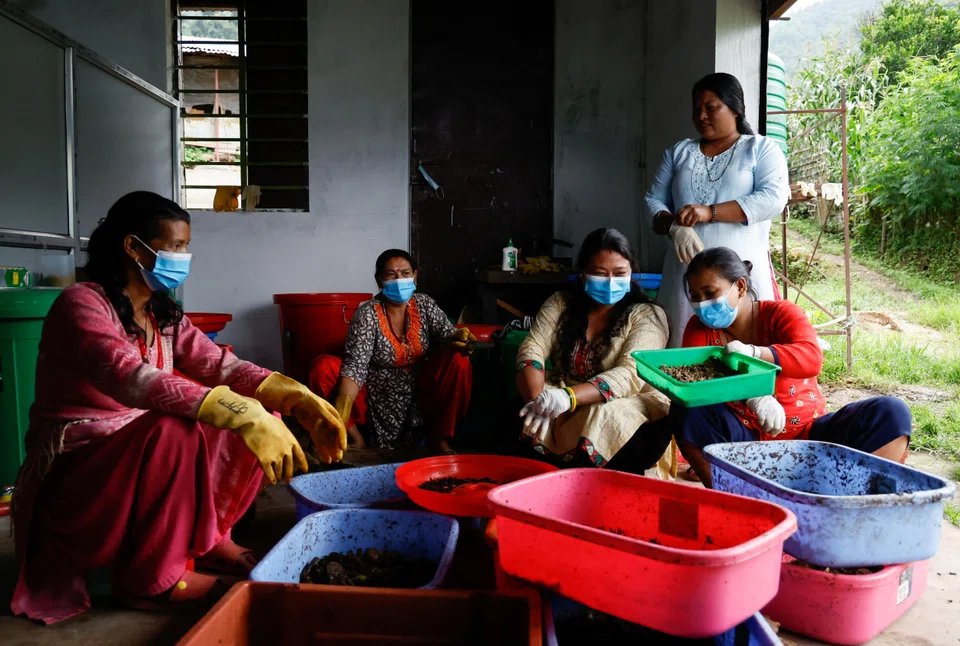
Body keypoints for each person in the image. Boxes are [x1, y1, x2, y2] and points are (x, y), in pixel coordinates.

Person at [11, 192, 347, 624]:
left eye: (186, 247)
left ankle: (209, 538)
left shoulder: (162, 314)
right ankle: (152, 579)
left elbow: (220, 365)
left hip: (137, 458)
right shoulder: (82, 304)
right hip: (78, 475)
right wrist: (238, 411)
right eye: (175, 247)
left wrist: (294, 397)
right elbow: (131, 379)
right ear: (134, 247)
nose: (184, 257)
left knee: (253, 415)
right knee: (177, 427)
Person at [673, 247, 912, 488]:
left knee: (890, 412)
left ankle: (855, 497)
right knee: (685, 411)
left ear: (741, 287)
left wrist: (755, 353)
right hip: (743, 445)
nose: (703, 304)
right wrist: (755, 396)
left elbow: (810, 357)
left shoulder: (781, 313)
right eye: (695, 296)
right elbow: (698, 383)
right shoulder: (699, 328)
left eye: (710, 292)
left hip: (807, 436)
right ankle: (736, 497)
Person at [515, 228, 676, 479]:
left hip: (629, 402)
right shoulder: (560, 303)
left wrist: (568, 397)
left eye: (620, 273)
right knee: (521, 407)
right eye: (600, 274)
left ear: (632, 273)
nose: (610, 281)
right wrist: (538, 403)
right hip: (563, 395)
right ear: (582, 274)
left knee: (605, 415)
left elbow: (631, 373)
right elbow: (532, 349)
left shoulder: (648, 315)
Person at [645, 72, 791, 346]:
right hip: (686, 277)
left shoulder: (760, 148)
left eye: (710, 108)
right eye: (697, 109)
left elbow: (773, 198)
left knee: (744, 352)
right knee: (683, 347)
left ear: (735, 108)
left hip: (738, 276)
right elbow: (652, 202)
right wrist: (673, 227)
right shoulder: (678, 153)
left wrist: (709, 212)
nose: (701, 115)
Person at [309, 249, 475, 454]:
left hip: (421, 390)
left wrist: (457, 339)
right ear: (379, 280)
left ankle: (440, 440)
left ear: (415, 275)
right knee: (324, 367)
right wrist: (342, 408)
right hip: (376, 393)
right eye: (391, 275)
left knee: (458, 359)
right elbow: (355, 367)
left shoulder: (424, 304)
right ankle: (355, 439)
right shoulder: (367, 313)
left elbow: (447, 334)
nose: (399, 280)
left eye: (405, 273)